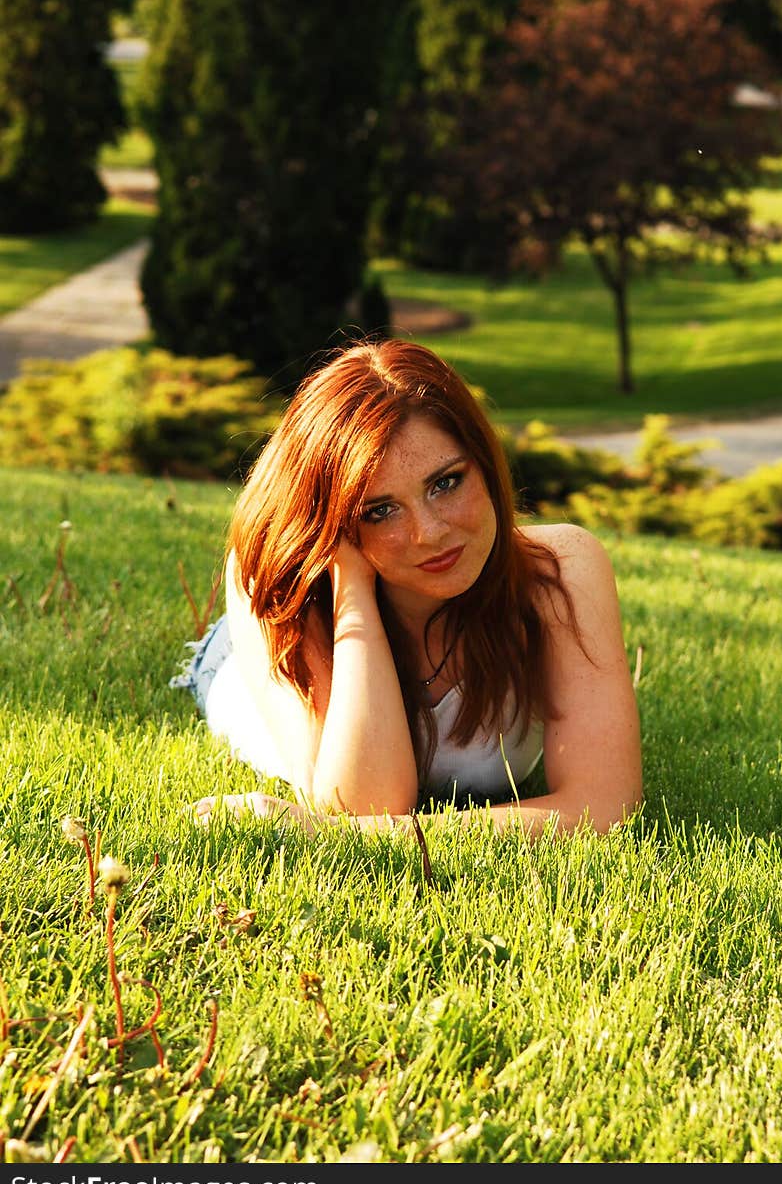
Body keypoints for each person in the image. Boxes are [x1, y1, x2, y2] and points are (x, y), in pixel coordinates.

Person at [171, 338, 642, 838]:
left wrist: (329, 835)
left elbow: (603, 807)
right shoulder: (282, 582)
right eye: (379, 510)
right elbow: (359, 801)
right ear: (337, 523)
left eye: (446, 483)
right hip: (244, 657)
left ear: (482, 459)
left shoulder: (560, 570)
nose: (430, 532)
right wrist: (351, 586)